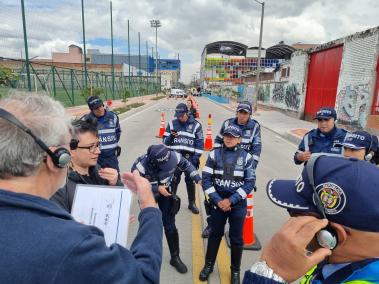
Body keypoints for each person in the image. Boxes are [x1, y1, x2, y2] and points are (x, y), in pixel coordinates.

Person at [0, 92, 162, 283]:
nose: (97, 151)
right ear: (57, 157)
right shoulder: (68, 243)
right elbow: (143, 277)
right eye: (70, 146)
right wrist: (149, 206)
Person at [243, 155, 379, 283]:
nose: (291, 220)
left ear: (331, 236)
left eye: (296, 213)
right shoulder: (334, 261)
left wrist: (270, 273)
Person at [132, 144, 202, 274]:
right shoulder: (141, 165)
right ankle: (143, 259)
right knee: (148, 225)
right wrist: (156, 188)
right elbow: (136, 184)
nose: (169, 166)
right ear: (153, 162)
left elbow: (187, 165)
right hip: (149, 194)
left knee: (170, 225)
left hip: (167, 192)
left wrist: (198, 178)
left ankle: (175, 257)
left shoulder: (173, 155)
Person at [199, 124, 256, 284]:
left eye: (233, 136)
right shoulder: (214, 154)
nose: (229, 139)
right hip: (218, 203)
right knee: (215, 235)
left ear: (239, 139)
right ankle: (208, 265)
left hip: (237, 204)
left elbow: (250, 183)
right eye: (226, 136)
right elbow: (206, 180)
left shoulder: (247, 157)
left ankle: (235, 271)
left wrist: (231, 200)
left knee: (237, 239)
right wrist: (218, 200)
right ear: (223, 137)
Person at [203, 100, 261, 238]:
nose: (242, 115)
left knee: (237, 198)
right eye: (240, 112)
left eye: (245, 113)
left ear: (249, 115)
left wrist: (249, 170)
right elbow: (217, 140)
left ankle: (235, 228)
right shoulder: (227, 123)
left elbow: (257, 148)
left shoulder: (255, 127)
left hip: (242, 166)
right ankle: (212, 224)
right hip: (223, 163)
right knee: (212, 197)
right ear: (237, 112)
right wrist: (218, 159)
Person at [50, 118, 123, 213]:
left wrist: (114, 184)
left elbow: (115, 204)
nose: (98, 151)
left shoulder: (98, 170)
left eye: (97, 145)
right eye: (91, 147)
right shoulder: (59, 188)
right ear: (70, 150)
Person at [163, 103, 204, 214]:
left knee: (190, 181)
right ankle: (172, 202)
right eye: (178, 115)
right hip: (174, 157)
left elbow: (200, 144)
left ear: (187, 113)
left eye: (182, 115)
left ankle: (192, 203)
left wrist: (195, 158)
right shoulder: (172, 124)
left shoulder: (196, 125)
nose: (180, 117)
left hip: (190, 158)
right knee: (173, 180)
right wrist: (171, 137)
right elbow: (165, 143)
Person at [81, 95, 121, 171]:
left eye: (100, 106)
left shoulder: (113, 117)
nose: (100, 109)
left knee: (115, 180)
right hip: (95, 160)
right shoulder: (85, 120)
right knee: (96, 181)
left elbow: (117, 133)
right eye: (96, 108)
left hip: (111, 159)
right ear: (91, 110)